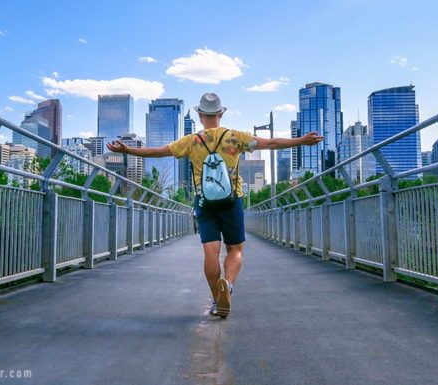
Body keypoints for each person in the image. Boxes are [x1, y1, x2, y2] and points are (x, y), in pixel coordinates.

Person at [106, 93, 323, 318]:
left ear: (200, 115)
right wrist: (301, 141)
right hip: (232, 200)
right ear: (220, 114)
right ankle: (227, 285)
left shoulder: (191, 141)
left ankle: (217, 300)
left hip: (204, 202)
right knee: (235, 250)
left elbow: (159, 152)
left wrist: (128, 150)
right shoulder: (234, 137)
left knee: (211, 252)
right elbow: (271, 143)